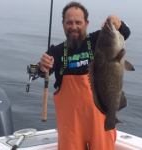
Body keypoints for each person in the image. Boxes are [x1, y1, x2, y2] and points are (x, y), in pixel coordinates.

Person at [39, 2, 131, 150]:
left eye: (78, 22)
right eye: (69, 22)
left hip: (101, 123)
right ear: (63, 24)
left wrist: (116, 22)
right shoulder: (56, 51)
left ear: (86, 23)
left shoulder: (98, 41)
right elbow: (41, 70)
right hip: (70, 127)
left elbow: (124, 32)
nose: (73, 27)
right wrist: (42, 65)